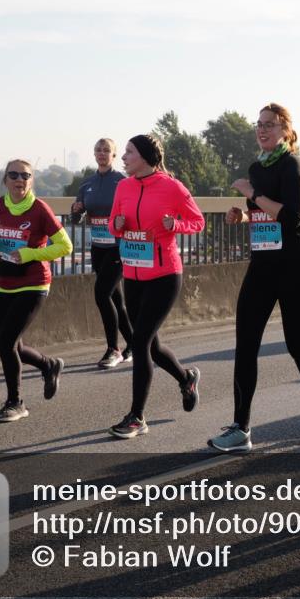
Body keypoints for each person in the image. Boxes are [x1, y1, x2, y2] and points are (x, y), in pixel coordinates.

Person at [208, 103, 300, 454]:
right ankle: (241, 428)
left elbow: (292, 217)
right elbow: (263, 214)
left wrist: (252, 195)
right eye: (259, 124)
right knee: (245, 346)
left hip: (295, 265)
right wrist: (243, 216)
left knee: (298, 346)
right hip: (262, 267)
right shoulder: (255, 168)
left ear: (285, 130)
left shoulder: (292, 164)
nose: (262, 130)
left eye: (270, 125)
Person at [107, 135, 205, 438]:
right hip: (133, 276)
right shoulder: (123, 186)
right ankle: (186, 377)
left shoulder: (171, 187)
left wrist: (174, 225)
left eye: (129, 152)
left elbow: (197, 221)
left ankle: (136, 417)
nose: (123, 158)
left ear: (146, 156)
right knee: (151, 344)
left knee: (139, 342)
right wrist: (119, 225)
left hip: (164, 276)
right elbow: (112, 225)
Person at [0, 160, 73, 422]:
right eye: (14, 174)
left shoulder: (40, 209)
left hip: (34, 283)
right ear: (5, 180)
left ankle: (15, 402)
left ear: (31, 181)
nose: (20, 179)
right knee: (13, 344)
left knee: (5, 343)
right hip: (5, 282)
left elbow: (65, 246)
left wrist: (30, 253)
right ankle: (48, 365)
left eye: (26, 175)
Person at [70, 138, 134, 369]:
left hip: (118, 247)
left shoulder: (122, 182)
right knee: (115, 298)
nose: (102, 153)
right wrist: (76, 212)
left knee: (101, 294)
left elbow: (133, 213)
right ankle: (135, 342)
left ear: (114, 155)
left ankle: (113, 349)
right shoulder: (87, 183)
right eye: (98, 149)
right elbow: (76, 218)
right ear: (94, 153)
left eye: (107, 150)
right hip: (98, 247)